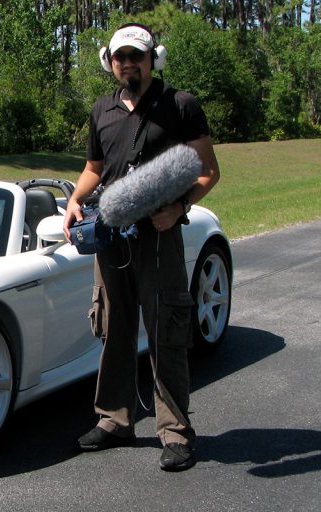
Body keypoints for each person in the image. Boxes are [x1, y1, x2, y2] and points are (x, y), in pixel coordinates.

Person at [64, 23, 220, 472]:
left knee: (165, 329)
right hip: (111, 234)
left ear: (154, 58)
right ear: (109, 62)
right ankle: (114, 420)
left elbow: (207, 170)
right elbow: (95, 167)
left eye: (137, 56)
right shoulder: (103, 109)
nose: (128, 63)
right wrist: (76, 199)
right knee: (114, 326)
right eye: (120, 57)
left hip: (158, 233)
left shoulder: (181, 106)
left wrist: (180, 208)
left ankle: (174, 432)